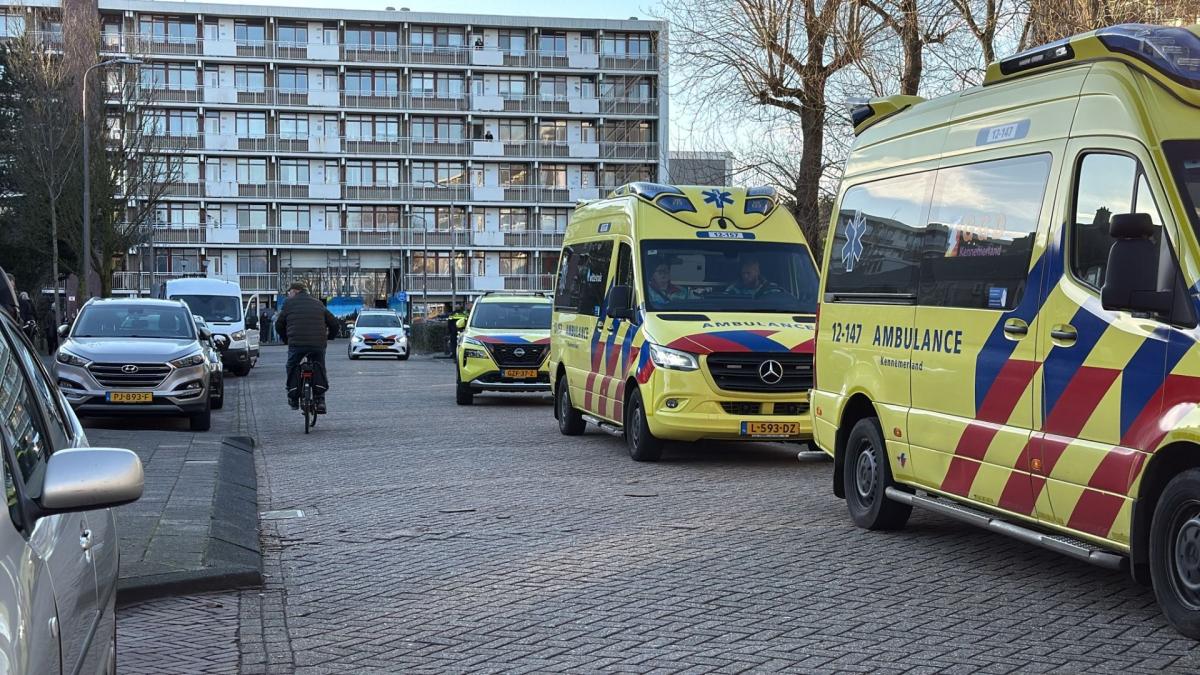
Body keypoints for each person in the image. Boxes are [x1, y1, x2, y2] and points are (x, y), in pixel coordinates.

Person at [275, 282, 339, 413]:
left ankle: (293, 397)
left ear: (295, 291)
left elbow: (278, 324)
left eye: (289, 292)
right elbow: (334, 323)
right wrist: (330, 337)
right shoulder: (318, 303)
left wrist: (285, 339)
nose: (288, 294)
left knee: (291, 365)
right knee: (320, 367)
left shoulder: (289, 303)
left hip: (296, 344)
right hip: (318, 344)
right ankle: (320, 400)